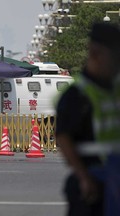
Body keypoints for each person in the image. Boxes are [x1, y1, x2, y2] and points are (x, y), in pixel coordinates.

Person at [55, 23, 120, 216]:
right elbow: (63, 136)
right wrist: (84, 176)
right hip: (92, 180)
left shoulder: (115, 89)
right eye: (115, 59)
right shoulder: (77, 94)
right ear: (96, 54)